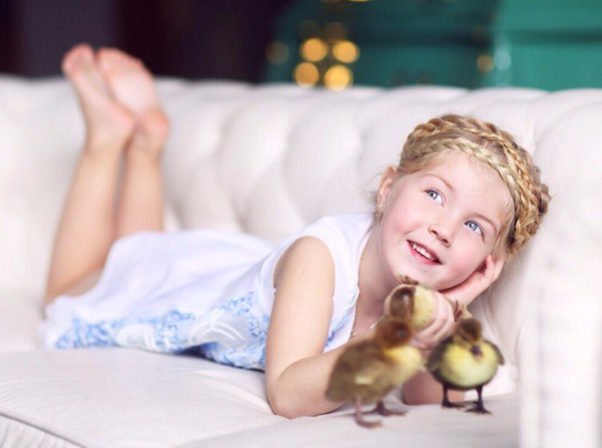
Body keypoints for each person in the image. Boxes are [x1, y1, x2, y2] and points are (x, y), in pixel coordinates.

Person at [38, 43, 551, 419]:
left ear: (487, 263)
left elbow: (428, 400)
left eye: (473, 226)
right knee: (72, 291)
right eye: (434, 194)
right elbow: (286, 393)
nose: (443, 228)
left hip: (226, 263)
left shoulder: (426, 300)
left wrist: (445, 317)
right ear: (386, 188)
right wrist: (392, 338)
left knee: (144, 253)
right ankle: (106, 139)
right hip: (199, 288)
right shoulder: (318, 255)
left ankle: (146, 145)